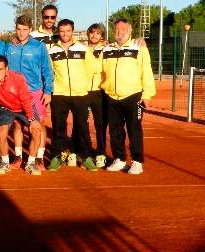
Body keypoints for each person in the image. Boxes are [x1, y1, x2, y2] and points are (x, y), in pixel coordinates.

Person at [101, 18, 156, 175]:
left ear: (130, 30)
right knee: (115, 130)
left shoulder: (138, 47)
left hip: (134, 96)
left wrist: (147, 94)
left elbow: (147, 71)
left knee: (134, 130)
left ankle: (137, 162)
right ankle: (119, 159)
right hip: (111, 97)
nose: (120, 32)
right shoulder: (107, 49)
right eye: (117, 29)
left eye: (124, 29)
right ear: (114, 31)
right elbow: (101, 71)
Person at [46, 19, 98, 172]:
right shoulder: (51, 50)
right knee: (58, 128)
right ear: (58, 32)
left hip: (80, 94)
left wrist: (81, 84)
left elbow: (91, 68)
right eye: (62, 31)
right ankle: (57, 157)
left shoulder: (83, 48)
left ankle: (85, 157)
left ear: (72, 31)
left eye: (68, 31)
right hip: (59, 94)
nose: (65, 34)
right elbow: (50, 71)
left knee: (82, 127)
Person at [5, 15, 53, 171]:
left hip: (34, 92)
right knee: (17, 125)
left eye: (25, 30)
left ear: (30, 29)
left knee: (39, 125)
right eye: (18, 29)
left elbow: (47, 70)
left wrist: (48, 91)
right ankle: (18, 157)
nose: (21, 33)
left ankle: (39, 158)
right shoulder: (10, 46)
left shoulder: (39, 46)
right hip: (14, 94)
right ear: (15, 28)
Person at [0, 55, 42, 176]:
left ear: (6, 68)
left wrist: (32, 118)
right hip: (6, 108)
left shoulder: (18, 78)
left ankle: (31, 162)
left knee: (36, 130)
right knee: (2, 131)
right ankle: (4, 162)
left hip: (25, 106)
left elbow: (24, 98)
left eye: (0, 69)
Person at [85, 23, 108, 168]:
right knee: (82, 123)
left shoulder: (107, 49)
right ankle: (85, 152)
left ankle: (100, 154)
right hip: (84, 91)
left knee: (100, 124)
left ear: (102, 36)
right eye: (92, 33)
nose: (95, 36)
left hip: (100, 92)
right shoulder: (81, 49)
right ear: (88, 34)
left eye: (98, 34)